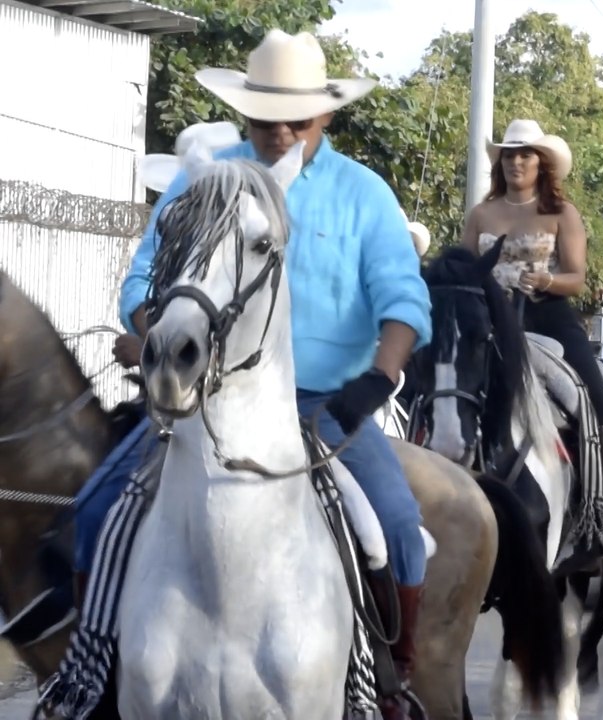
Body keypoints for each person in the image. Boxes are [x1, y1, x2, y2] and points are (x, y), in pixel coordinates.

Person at [44, 30, 433, 720]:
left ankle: (391, 679)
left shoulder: (362, 193)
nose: (279, 131)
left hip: (325, 404)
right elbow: (142, 280)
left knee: (398, 526)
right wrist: (155, 336)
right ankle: (92, 678)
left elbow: (403, 298)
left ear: (326, 117)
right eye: (263, 118)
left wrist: (381, 375)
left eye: (297, 119)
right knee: (96, 511)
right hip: (196, 402)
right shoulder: (206, 180)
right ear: (245, 113)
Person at [459, 118, 603, 574]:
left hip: (547, 314)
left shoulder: (561, 213)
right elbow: (464, 269)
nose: (516, 162)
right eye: (509, 155)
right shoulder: (481, 214)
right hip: (492, 320)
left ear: (541, 163)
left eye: (525, 155)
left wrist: (548, 279)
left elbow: (577, 278)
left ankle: (596, 512)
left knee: (593, 395)